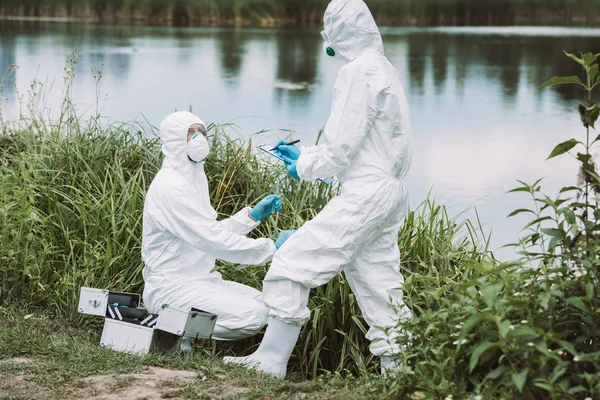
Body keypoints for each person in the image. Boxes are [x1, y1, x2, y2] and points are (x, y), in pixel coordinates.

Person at [224, 0, 412, 377]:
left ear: (338, 32)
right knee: (380, 282)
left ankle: (271, 361)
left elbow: (340, 147)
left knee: (293, 260)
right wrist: (306, 155)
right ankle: (400, 371)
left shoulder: (357, 72)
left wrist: (304, 166)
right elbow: (367, 144)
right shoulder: (385, 69)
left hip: (364, 195)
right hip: (389, 192)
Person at [141, 111, 296, 348]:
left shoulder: (192, 179)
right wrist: (271, 247)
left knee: (268, 305)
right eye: (190, 133)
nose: (199, 138)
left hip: (201, 280)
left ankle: (177, 330)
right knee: (252, 316)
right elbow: (212, 240)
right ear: (174, 139)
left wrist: (251, 216)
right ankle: (169, 328)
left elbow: (208, 233)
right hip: (171, 286)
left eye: (201, 132)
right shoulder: (170, 187)